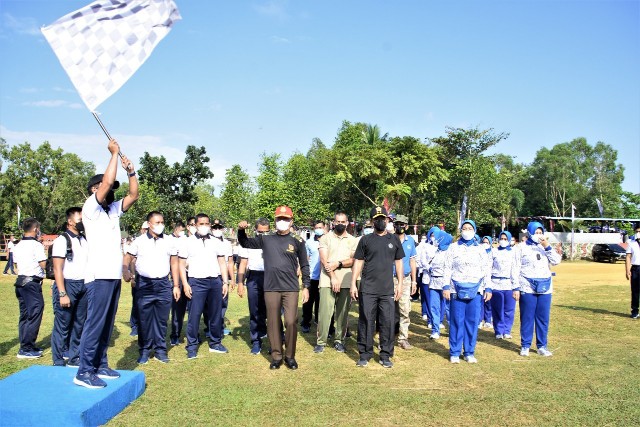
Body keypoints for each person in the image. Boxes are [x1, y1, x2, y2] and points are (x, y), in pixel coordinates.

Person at [74, 138, 139, 389]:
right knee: (95, 323)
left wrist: (131, 171)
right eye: (105, 187)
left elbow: (134, 194)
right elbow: (109, 181)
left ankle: (100, 364)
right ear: (95, 189)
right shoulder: (90, 208)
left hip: (112, 276)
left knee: (106, 323)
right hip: (98, 276)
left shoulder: (112, 210)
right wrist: (113, 154)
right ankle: (84, 370)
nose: (111, 190)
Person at [237, 205, 310, 370]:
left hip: (290, 287)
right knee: (273, 322)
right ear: (275, 220)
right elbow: (245, 242)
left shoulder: (298, 241)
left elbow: (304, 264)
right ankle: (276, 356)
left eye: (285, 219)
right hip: (271, 288)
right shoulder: (266, 239)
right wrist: (241, 230)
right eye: (279, 219)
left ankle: (290, 356)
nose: (282, 221)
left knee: (291, 321)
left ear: (291, 221)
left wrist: (306, 286)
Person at [350, 206, 405, 368]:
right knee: (366, 320)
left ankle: (385, 354)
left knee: (387, 322)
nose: (381, 221)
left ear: (388, 220)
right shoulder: (365, 240)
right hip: (368, 288)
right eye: (377, 219)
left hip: (387, 289)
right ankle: (364, 354)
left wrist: (400, 283)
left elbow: (399, 262)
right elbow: (358, 261)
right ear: (372, 221)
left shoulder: (394, 239)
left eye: (383, 218)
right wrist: (353, 283)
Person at [123, 211, 180, 364]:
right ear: (149, 224)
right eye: (157, 222)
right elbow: (127, 257)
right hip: (145, 285)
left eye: (162, 222)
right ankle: (144, 350)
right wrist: (125, 270)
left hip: (163, 284)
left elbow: (174, 263)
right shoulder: (139, 241)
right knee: (144, 319)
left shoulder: (169, 241)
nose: (160, 225)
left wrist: (175, 285)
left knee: (162, 319)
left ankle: (161, 350)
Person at [178, 213, 230, 359]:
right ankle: (192, 346)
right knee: (194, 315)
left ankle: (215, 343)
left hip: (215, 281)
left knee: (215, 314)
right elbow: (181, 265)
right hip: (196, 281)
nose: (205, 226)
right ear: (195, 225)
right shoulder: (187, 242)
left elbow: (222, 262)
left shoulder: (216, 242)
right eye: (201, 224)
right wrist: (185, 283)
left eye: (207, 224)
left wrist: (225, 282)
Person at [443, 219, 492, 364]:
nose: (467, 230)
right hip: (456, 289)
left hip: (475, 290)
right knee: (457, 321)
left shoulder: (480, 249)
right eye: (464, 228)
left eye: (470, 228)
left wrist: (488, 287)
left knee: (472, 321)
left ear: (475, 231)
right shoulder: (453, 248)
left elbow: (486, 270)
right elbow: (447, 268)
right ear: (460, 230)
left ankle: (469, 352)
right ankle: (455, 352)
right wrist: (446, 286)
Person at [514, 221, 561, 357]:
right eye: (536, 232)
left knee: (543, 318)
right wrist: (515, 287)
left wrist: (546, 246)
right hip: (527, 286)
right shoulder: (521, 247)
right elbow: (515, 268)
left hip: (545, 287)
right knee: (527, 317)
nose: (539, 235)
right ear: (529, 233)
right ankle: (525, 345)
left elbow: (556, 261)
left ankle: (542, 346)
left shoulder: (545, 247)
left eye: (541, 232)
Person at [51, 207, 88, 367]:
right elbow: (57, 269)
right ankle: (58, 360)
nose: (83, 223)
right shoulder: (62, 240)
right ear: (70, 221)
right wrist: (62, 293)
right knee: (63, 325)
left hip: (84, 285)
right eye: (80, 220)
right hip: (68, 285)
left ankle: (74, 357)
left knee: (79, 324)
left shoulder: (85, 240)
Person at [315, 211, 357, 353]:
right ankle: (321, 341)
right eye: (337, 222)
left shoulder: (353, 240)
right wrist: (332, 276)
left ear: (347, 223)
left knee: (342, 313)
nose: (340, 224)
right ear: (333, 222)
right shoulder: (325, 238)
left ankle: (339, 340)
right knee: (324, 312)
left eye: (342, 222)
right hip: (327, 280)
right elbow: (323, 260)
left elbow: (353, 260)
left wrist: (338, 264)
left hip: (345, 280)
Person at [12, 217, 46, 359]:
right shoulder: (36, 245)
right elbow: (43, 263)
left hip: (20, 281)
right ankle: (26, 347)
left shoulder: (18, 245)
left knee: (25, 315)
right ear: (35, 229)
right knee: (35, 312)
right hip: (31, 283)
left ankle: (25, 344)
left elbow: (15, 264)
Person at [236, 218, 270, 355]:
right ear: (255, 230)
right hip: (254, 277)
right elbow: (243, 264)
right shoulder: (250, 243)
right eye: (260, 232)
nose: (262, 234)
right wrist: (240, 282)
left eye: (266, 232)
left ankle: (276, 338)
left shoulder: (272, 242)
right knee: (254, 310)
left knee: (272, 310)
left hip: (270, 277)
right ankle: (256, 340)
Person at [393, 214, 417, 350]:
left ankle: (403, 338)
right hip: (390, 278)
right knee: (389, 309)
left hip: (406, 279)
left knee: (405, 309)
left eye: (402, 224)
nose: (399, 226)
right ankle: (387, 337)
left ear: (406, 226)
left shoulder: (410, 242)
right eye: (397, 224)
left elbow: (413, 261)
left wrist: (414, 281)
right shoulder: (389, 239)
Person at [489, 231, 518, 339]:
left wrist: (516, 286)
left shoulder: (514, 252)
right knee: (497, 308)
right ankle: (498, 330)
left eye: (506, 239)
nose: (503, 240)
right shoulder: (494, 251)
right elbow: (489, 267)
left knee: (509, 309)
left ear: (509, 240)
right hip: (495, 283)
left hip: (509, 283)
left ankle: (507, 330)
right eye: (502, 238)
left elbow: (515, 269)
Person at [427, 230, 453, 340]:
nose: (435, 239)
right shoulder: (436, 251)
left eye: (437, 238)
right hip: (433, 283)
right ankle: (435, 330)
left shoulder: (450, 252)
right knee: (434, 307)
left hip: (445, 283)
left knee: (449, 309)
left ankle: (452, 330)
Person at [211, 219, 234, 337]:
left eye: (219, 227)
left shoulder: (226, 243)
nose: (217, 230)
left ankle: (219, 327)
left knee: (223, 302)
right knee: (211, 304)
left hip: (223, 276)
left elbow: (230, 262)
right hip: (211, 275)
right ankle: (211, 328)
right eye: (215, 228)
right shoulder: (208, 242)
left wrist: (232, 279)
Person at [301, 220, 324, 333]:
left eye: (320, 227)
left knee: (321, 301)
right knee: (308, 301)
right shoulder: (309, 242)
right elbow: (306, 258)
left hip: (324, 277)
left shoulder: (328, 241)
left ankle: (319, 320)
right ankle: (306, 322)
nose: (319, 229)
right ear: (314, 229)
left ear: (324, 228)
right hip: (311, 277)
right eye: (316, 227)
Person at [169, 220, 188, 345]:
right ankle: (175, 334)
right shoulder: (171, 241)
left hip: (195, 277)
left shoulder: (190, 241)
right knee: (178, 307)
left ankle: (194, 334)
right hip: (180, 277)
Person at [129, 221, 149, 337]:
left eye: (147, 229)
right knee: (137, 302)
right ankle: (135, 326)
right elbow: (132, 261)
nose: (146, 231)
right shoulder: (138, 242)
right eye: (144, 229)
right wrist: (133, 277)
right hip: (138, 276)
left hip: (149, 278)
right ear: (141, 229)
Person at [419, 226, 440, 325]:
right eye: (432, 235)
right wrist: (429, 268)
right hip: (427, 276)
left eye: (436, 235)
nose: (434, 237)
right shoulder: (425, 246)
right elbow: (422, 260)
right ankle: (430, 320)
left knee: (439, 301)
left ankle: (438, 320)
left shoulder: (442, 247)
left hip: (440, 277)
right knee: (428, 300)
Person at [479, 236, 494, 329]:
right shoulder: (479, 252)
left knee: (488, 301)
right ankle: (479, 320)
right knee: (480, 301)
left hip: (490, 280)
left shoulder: (493, 252)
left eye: (487, 242)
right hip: (480, 280)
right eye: (483, 242)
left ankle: (488, 320)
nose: (485, 244)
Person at [626, 223, 640, 319]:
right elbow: (628, 257)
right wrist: (627, 270)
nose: (638, 233)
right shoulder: (632, 243)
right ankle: (635, 311)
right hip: (636, 269)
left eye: (639, 231)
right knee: (635, 291)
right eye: (637, 231)